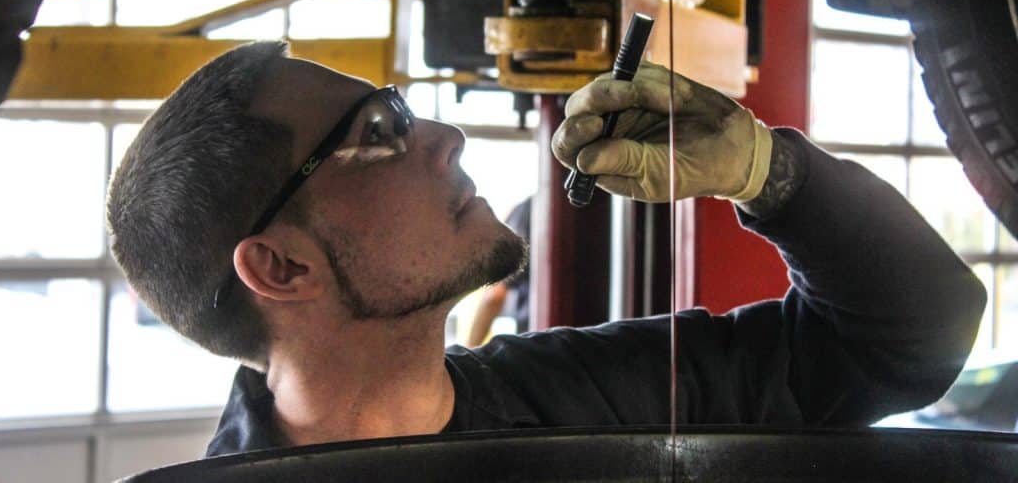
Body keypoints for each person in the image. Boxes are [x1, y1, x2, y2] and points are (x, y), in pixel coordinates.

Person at [105, 42, 985, 457]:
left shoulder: (586, 394)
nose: (443, 136)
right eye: (375, 133)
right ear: (280, 266)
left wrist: (768, 171)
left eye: (403, 108)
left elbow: (906, 341)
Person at [465, 197, 530, 347]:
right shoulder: (593, 201)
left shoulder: (529, 210)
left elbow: (494, 297)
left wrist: (468, 351)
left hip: (542, 341)